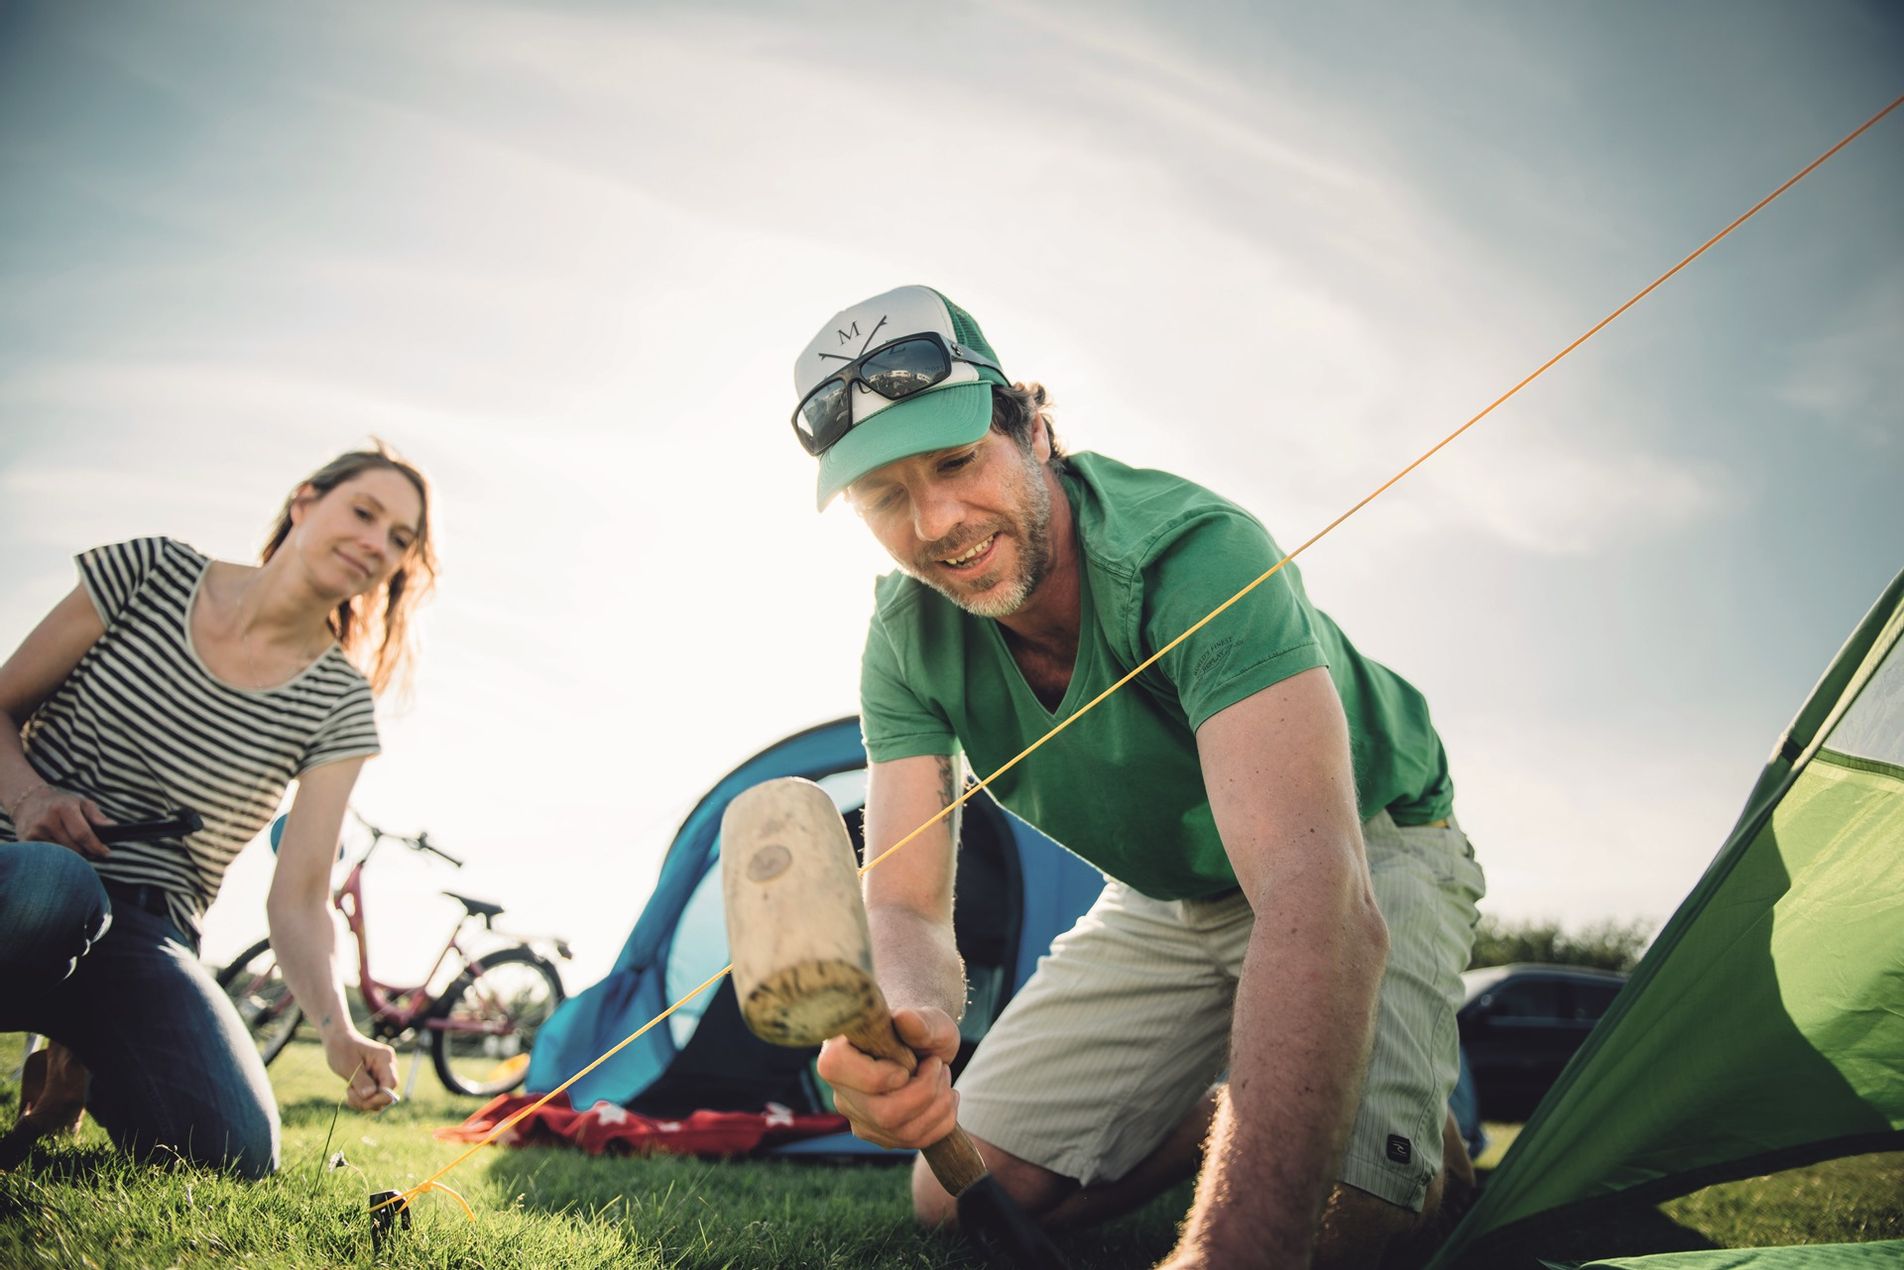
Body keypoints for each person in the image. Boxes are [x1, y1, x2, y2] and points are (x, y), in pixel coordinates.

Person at [794, 286, 1487, 1267]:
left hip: (1361, 848)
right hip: (1169, 892)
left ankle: (1369, 1131)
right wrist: (911, 1020)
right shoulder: (903, 636)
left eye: (954, 462)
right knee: (952, 1195)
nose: (937, 521)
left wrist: (1227, 1252)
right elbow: (904, 904)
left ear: (1031, 429)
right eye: (885, 496)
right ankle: (1253, 1104)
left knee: (1343, 1237)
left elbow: (1314, 895)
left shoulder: (1193, 555)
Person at [0, 444, 437, 1178]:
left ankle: (80, 1052)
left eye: (400, 540)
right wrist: (29, 797)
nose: (377, 544)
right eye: (364, 513)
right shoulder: (148, 572)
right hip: (23, 877)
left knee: (234, 1150)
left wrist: (337, 1032)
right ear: (305, 501)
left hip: (146, 930)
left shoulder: (338, 703)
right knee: (55, 890)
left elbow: (299, 897)